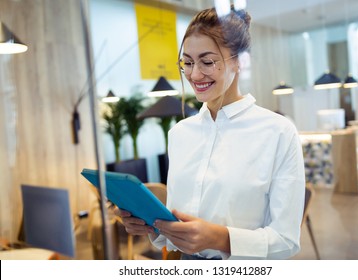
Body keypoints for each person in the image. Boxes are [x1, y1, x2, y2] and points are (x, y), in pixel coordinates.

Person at [116, 5, 305, 260]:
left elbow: (286, 240)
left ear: (240, 61)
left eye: (207, 61)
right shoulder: (180, 134)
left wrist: (219, 238)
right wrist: (152, 227)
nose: (194, 74)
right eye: (188, 63)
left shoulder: (278, 133)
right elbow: (176, 222)